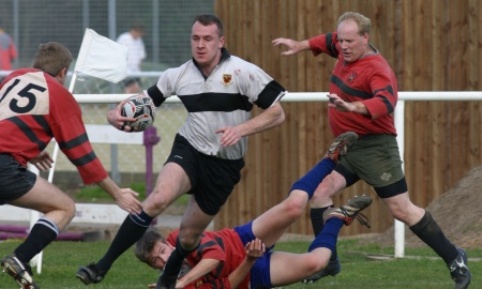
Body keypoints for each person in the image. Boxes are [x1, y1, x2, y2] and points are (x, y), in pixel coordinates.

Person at [76, 14, 287, 289]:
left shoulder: (242, 72)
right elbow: (144, 101)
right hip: (190, 149)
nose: (200, 45)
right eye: (196, 38)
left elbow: (277, 113)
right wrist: (112, 114)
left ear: (221, 42)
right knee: (157, 200)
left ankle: (167, 279)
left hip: (224, 166)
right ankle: (101, 266)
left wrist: (242, 129)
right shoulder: (178, 75)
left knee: (188, 237)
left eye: (208, 39)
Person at [272, 11, 471, 289]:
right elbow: (327, 40)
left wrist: (351, 107)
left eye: (349, 41)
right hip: (348, 146)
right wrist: (301, 44)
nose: (342, 46)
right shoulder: (343, 49)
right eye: (341, 40)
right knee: (319, 193)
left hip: (376, 148)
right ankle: (327, 261)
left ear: (365, 38)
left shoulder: (376, 68)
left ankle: (455, 258)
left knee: (402, 209)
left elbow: (387, 101)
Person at [133, 135, 371, 289]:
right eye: (157, 261)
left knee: (294, 206)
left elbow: (215, 256)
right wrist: (249, 259)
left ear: (168, 241)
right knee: (316, 262)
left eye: (163, 251)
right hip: (251, 273)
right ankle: (337, 219)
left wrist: (180, 282)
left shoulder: (180, 238)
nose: (164, 259)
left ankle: (331, 158)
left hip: (241, 238)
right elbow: (228, 284)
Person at [0, 42, 143, 289]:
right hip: (4, 169)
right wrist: (117, 194)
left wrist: (28, 152)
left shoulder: (15, 76)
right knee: (64, 207)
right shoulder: (59, 95)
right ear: (64, 72)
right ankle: (20, 259)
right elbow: (82, 156)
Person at [116, 24, 146, 94]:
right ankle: (120, 104)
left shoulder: (139, 40)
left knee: (135, 90)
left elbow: (141, 56)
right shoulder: (123, 38)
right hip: (126, 71)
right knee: (127, 91)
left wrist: (140, 70)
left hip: (136, 71)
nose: (139, 35)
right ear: (133, 31)